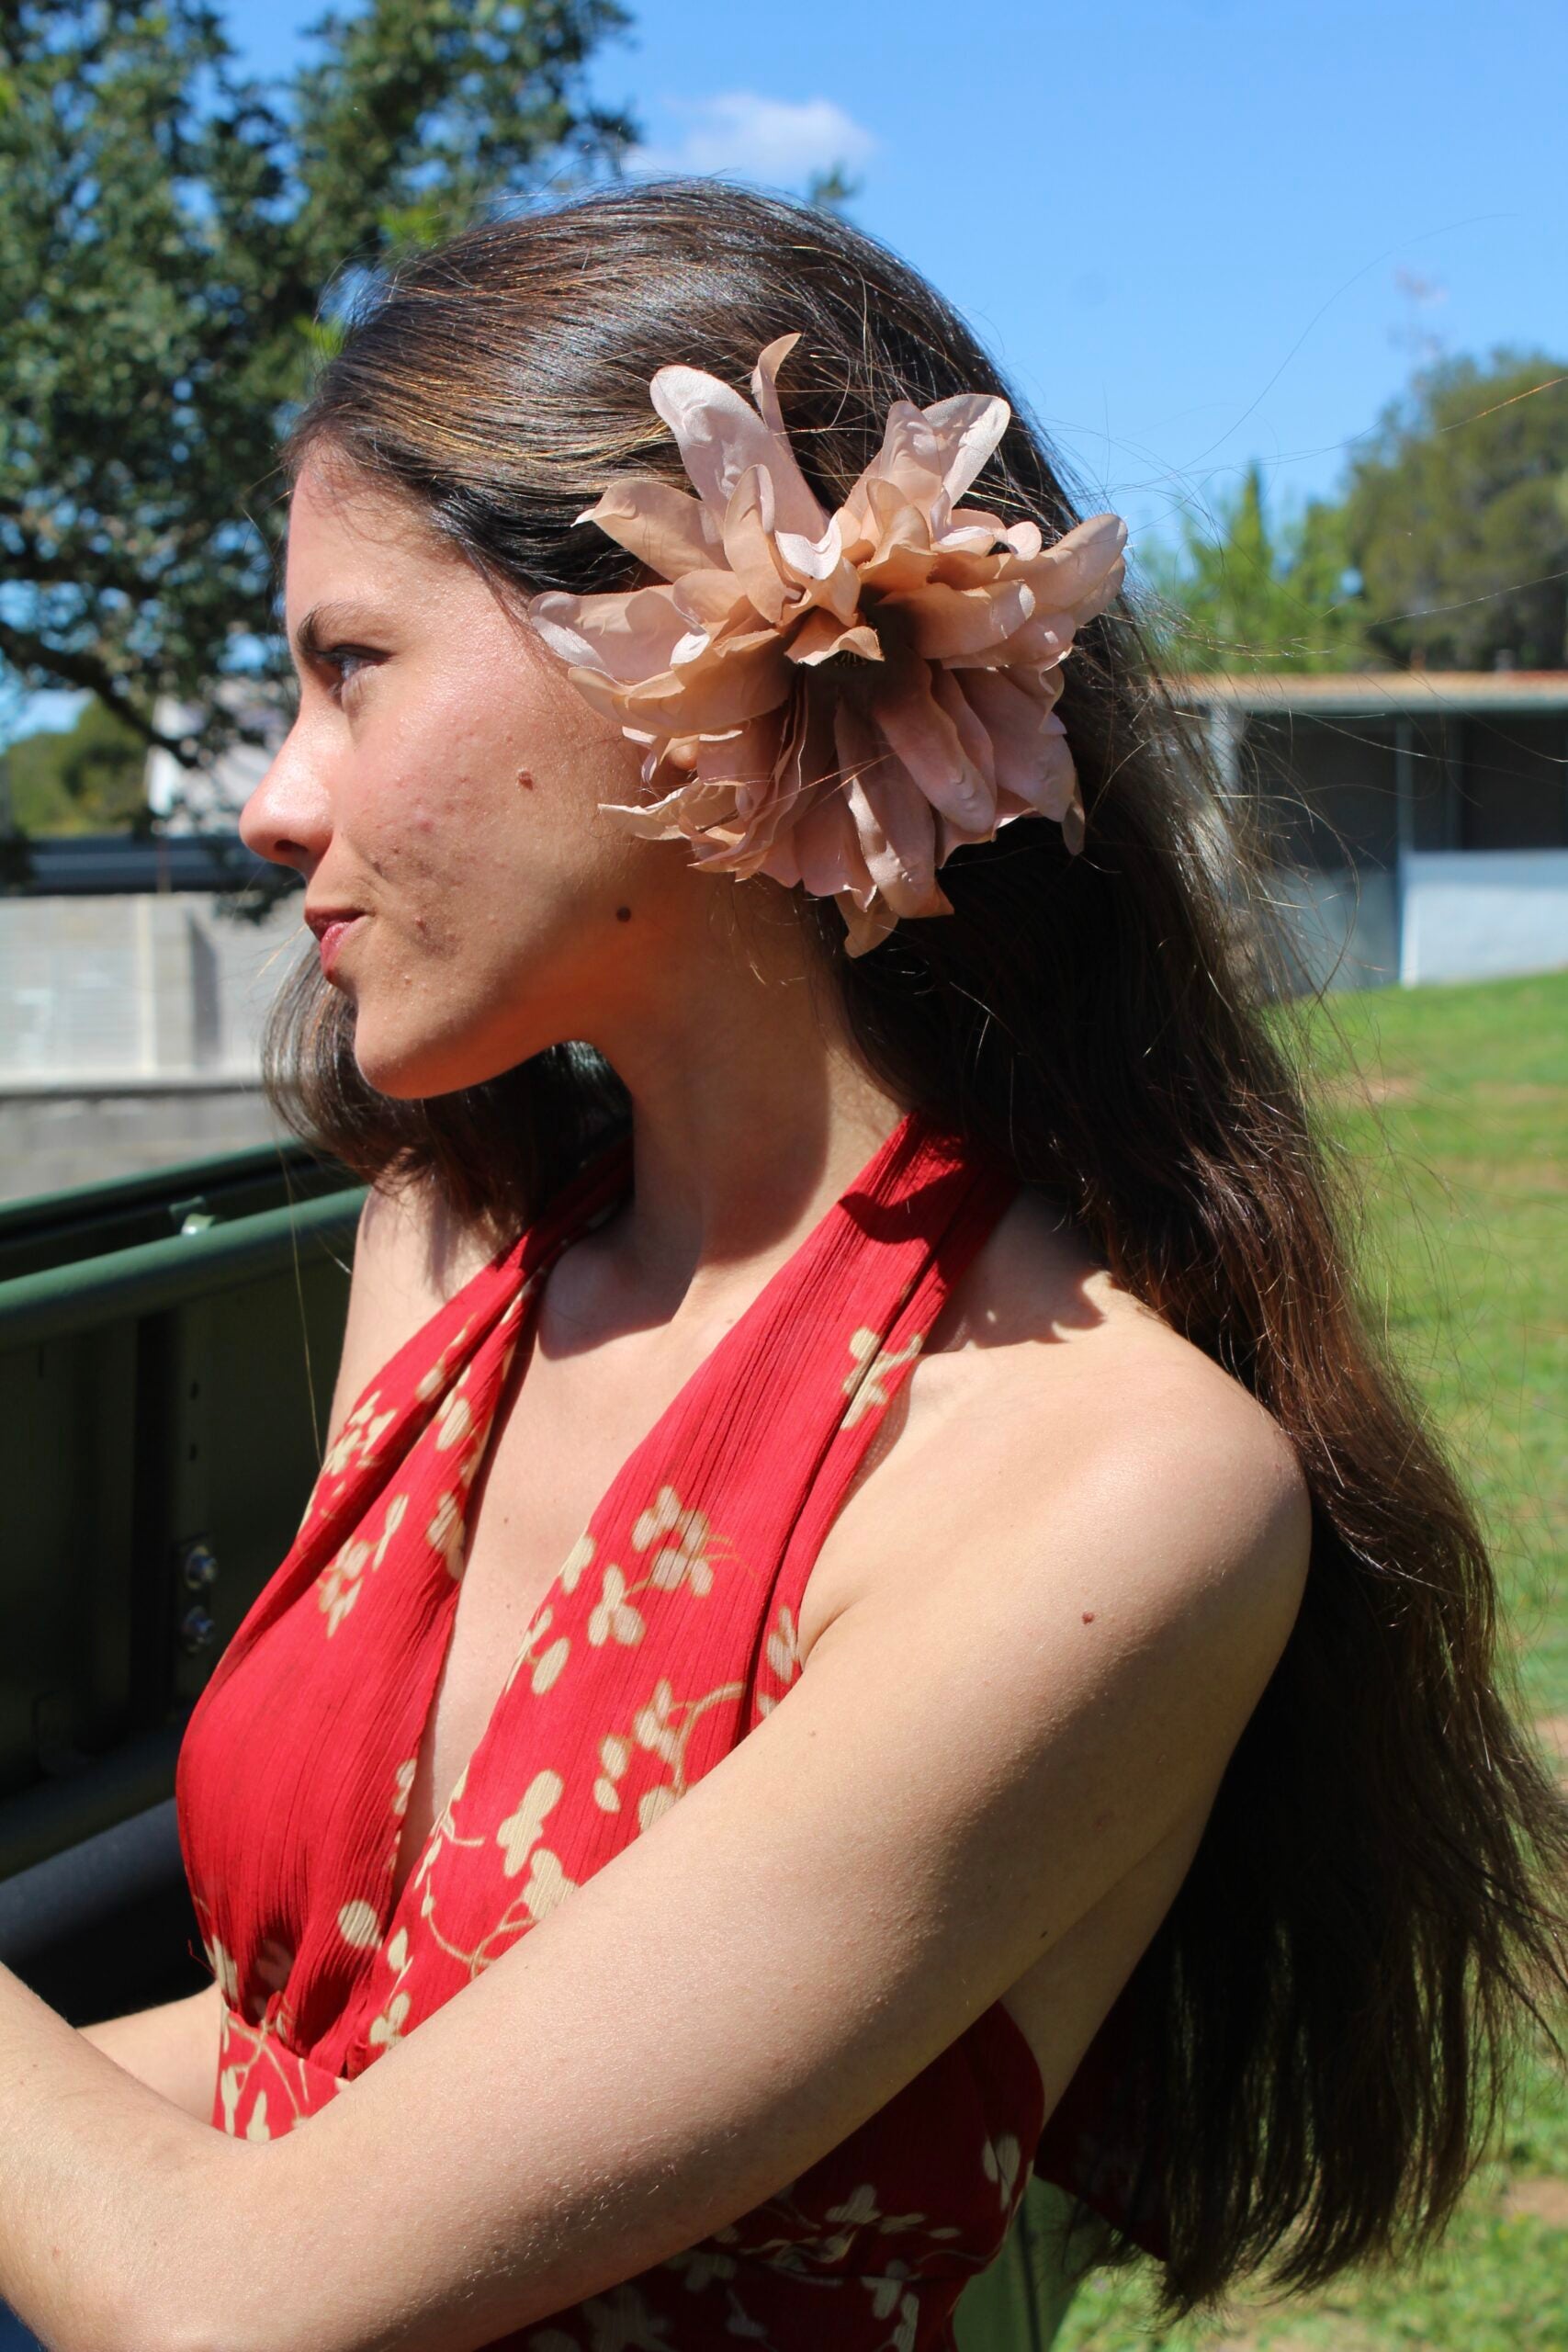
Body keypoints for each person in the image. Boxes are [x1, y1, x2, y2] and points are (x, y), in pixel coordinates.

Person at [0, 177, 1562, 2352]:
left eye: (349, 665)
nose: (275, 798)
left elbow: (241, 2292)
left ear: (689, 669)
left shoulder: (1105, 1487)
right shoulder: (444, 1254)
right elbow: (321, 2064)